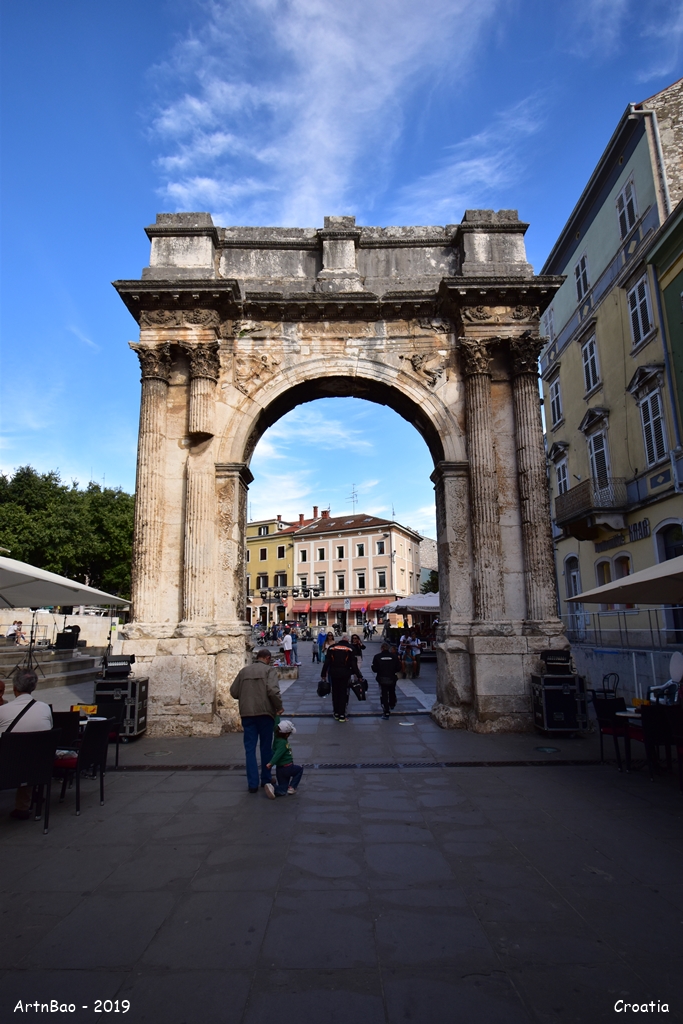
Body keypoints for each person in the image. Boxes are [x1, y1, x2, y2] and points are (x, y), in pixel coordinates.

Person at [0, 668, 53, 819]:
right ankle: (22, 807)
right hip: (37, 768)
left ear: (14, 687)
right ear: (34, 687)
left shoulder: (2, 711)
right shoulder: (45, 709)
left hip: (6, 768)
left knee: (16, 753)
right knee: (29, 753)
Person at [229, 650, 283, 793]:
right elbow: (272, 690)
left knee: (250, 749)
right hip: (265, 713)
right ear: (267, 658)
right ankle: (265, 779)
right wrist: (279, 707)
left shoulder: (244, 671)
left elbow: (234, 692)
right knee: (266, 748)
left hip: (247, 714)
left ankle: (252, 783)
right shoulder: (269, 670)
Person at [320, 634, 362, 722]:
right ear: (347, 641)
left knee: (335, 692)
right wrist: (359, 675)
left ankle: (336, 713)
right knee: (343, 693)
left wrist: (323, 674)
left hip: (334, 673)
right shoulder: (350, 648)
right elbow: (354, 664)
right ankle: (342, 715)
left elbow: (327, 662)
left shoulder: (332, 648)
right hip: (345, 673)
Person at [264, 718, 304, 798]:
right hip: (288, 767)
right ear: (286, 734)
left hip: (280, 769)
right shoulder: (283, 743)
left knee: (283, 790)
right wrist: (271, 763)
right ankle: (292, 787)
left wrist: (277, 715)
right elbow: (278, 755)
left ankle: (273, 787)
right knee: (299, 770)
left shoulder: (276, 738)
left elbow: (276, 725)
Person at [371, 643, 401, 719]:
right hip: (392, 677)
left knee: (384, 694)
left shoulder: (377, 657)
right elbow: (398, 668)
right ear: (388, 648)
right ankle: (392, 703)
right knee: (392, 691)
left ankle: (386, 711)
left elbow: (375, 669)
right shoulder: (394, 657)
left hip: (382, 678)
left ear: (381, 648)